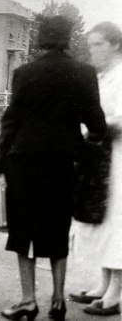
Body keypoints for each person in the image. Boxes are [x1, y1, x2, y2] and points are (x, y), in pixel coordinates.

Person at [0, 15, 107, 321]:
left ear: (40, 39)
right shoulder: (84, 73)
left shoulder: (24, 73)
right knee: (57, 230)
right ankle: (58, 300)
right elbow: (97, 126)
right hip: (62, 164)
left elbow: (10, 124)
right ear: (67, 38)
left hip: (23, 163)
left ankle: (27, 300)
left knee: (23, 231)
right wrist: (83, 150)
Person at [70, 22, 122, 316]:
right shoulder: (101, 77)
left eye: (98, 45)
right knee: (101, 221)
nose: (92, 51)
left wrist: (94, 125)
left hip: (119, 160)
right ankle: (103, 286)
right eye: (90, 46)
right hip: (100, 156)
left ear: (115, 44)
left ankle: (115, 294)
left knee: (117, 223)